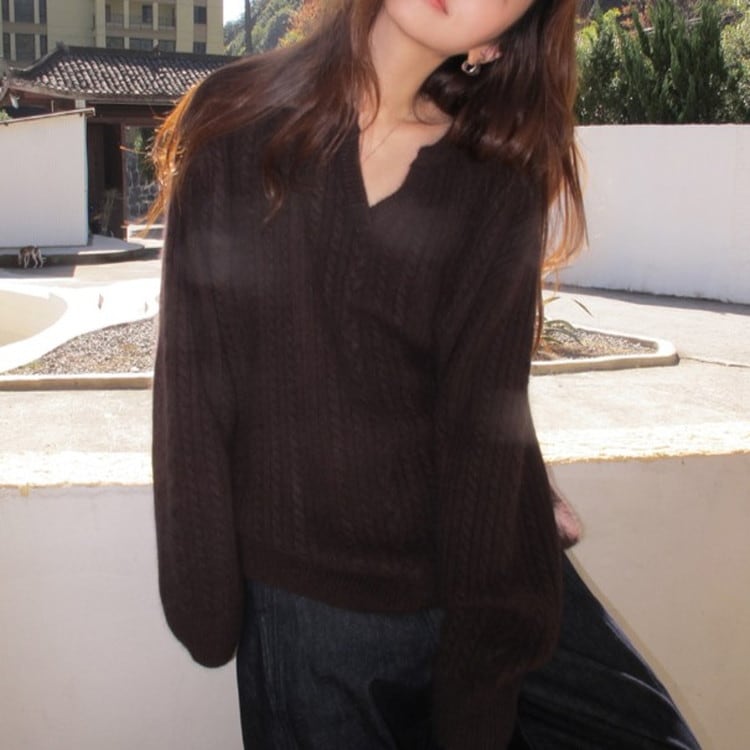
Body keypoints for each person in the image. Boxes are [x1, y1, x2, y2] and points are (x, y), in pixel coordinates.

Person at [150, 1, 700, 748]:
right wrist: (203, 592)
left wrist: (478, 681)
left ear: (502, 37)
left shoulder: (495, 177)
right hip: (310, 612)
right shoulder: (241, 116)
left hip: (491, 588)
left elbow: (486, 429)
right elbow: (194, 378)